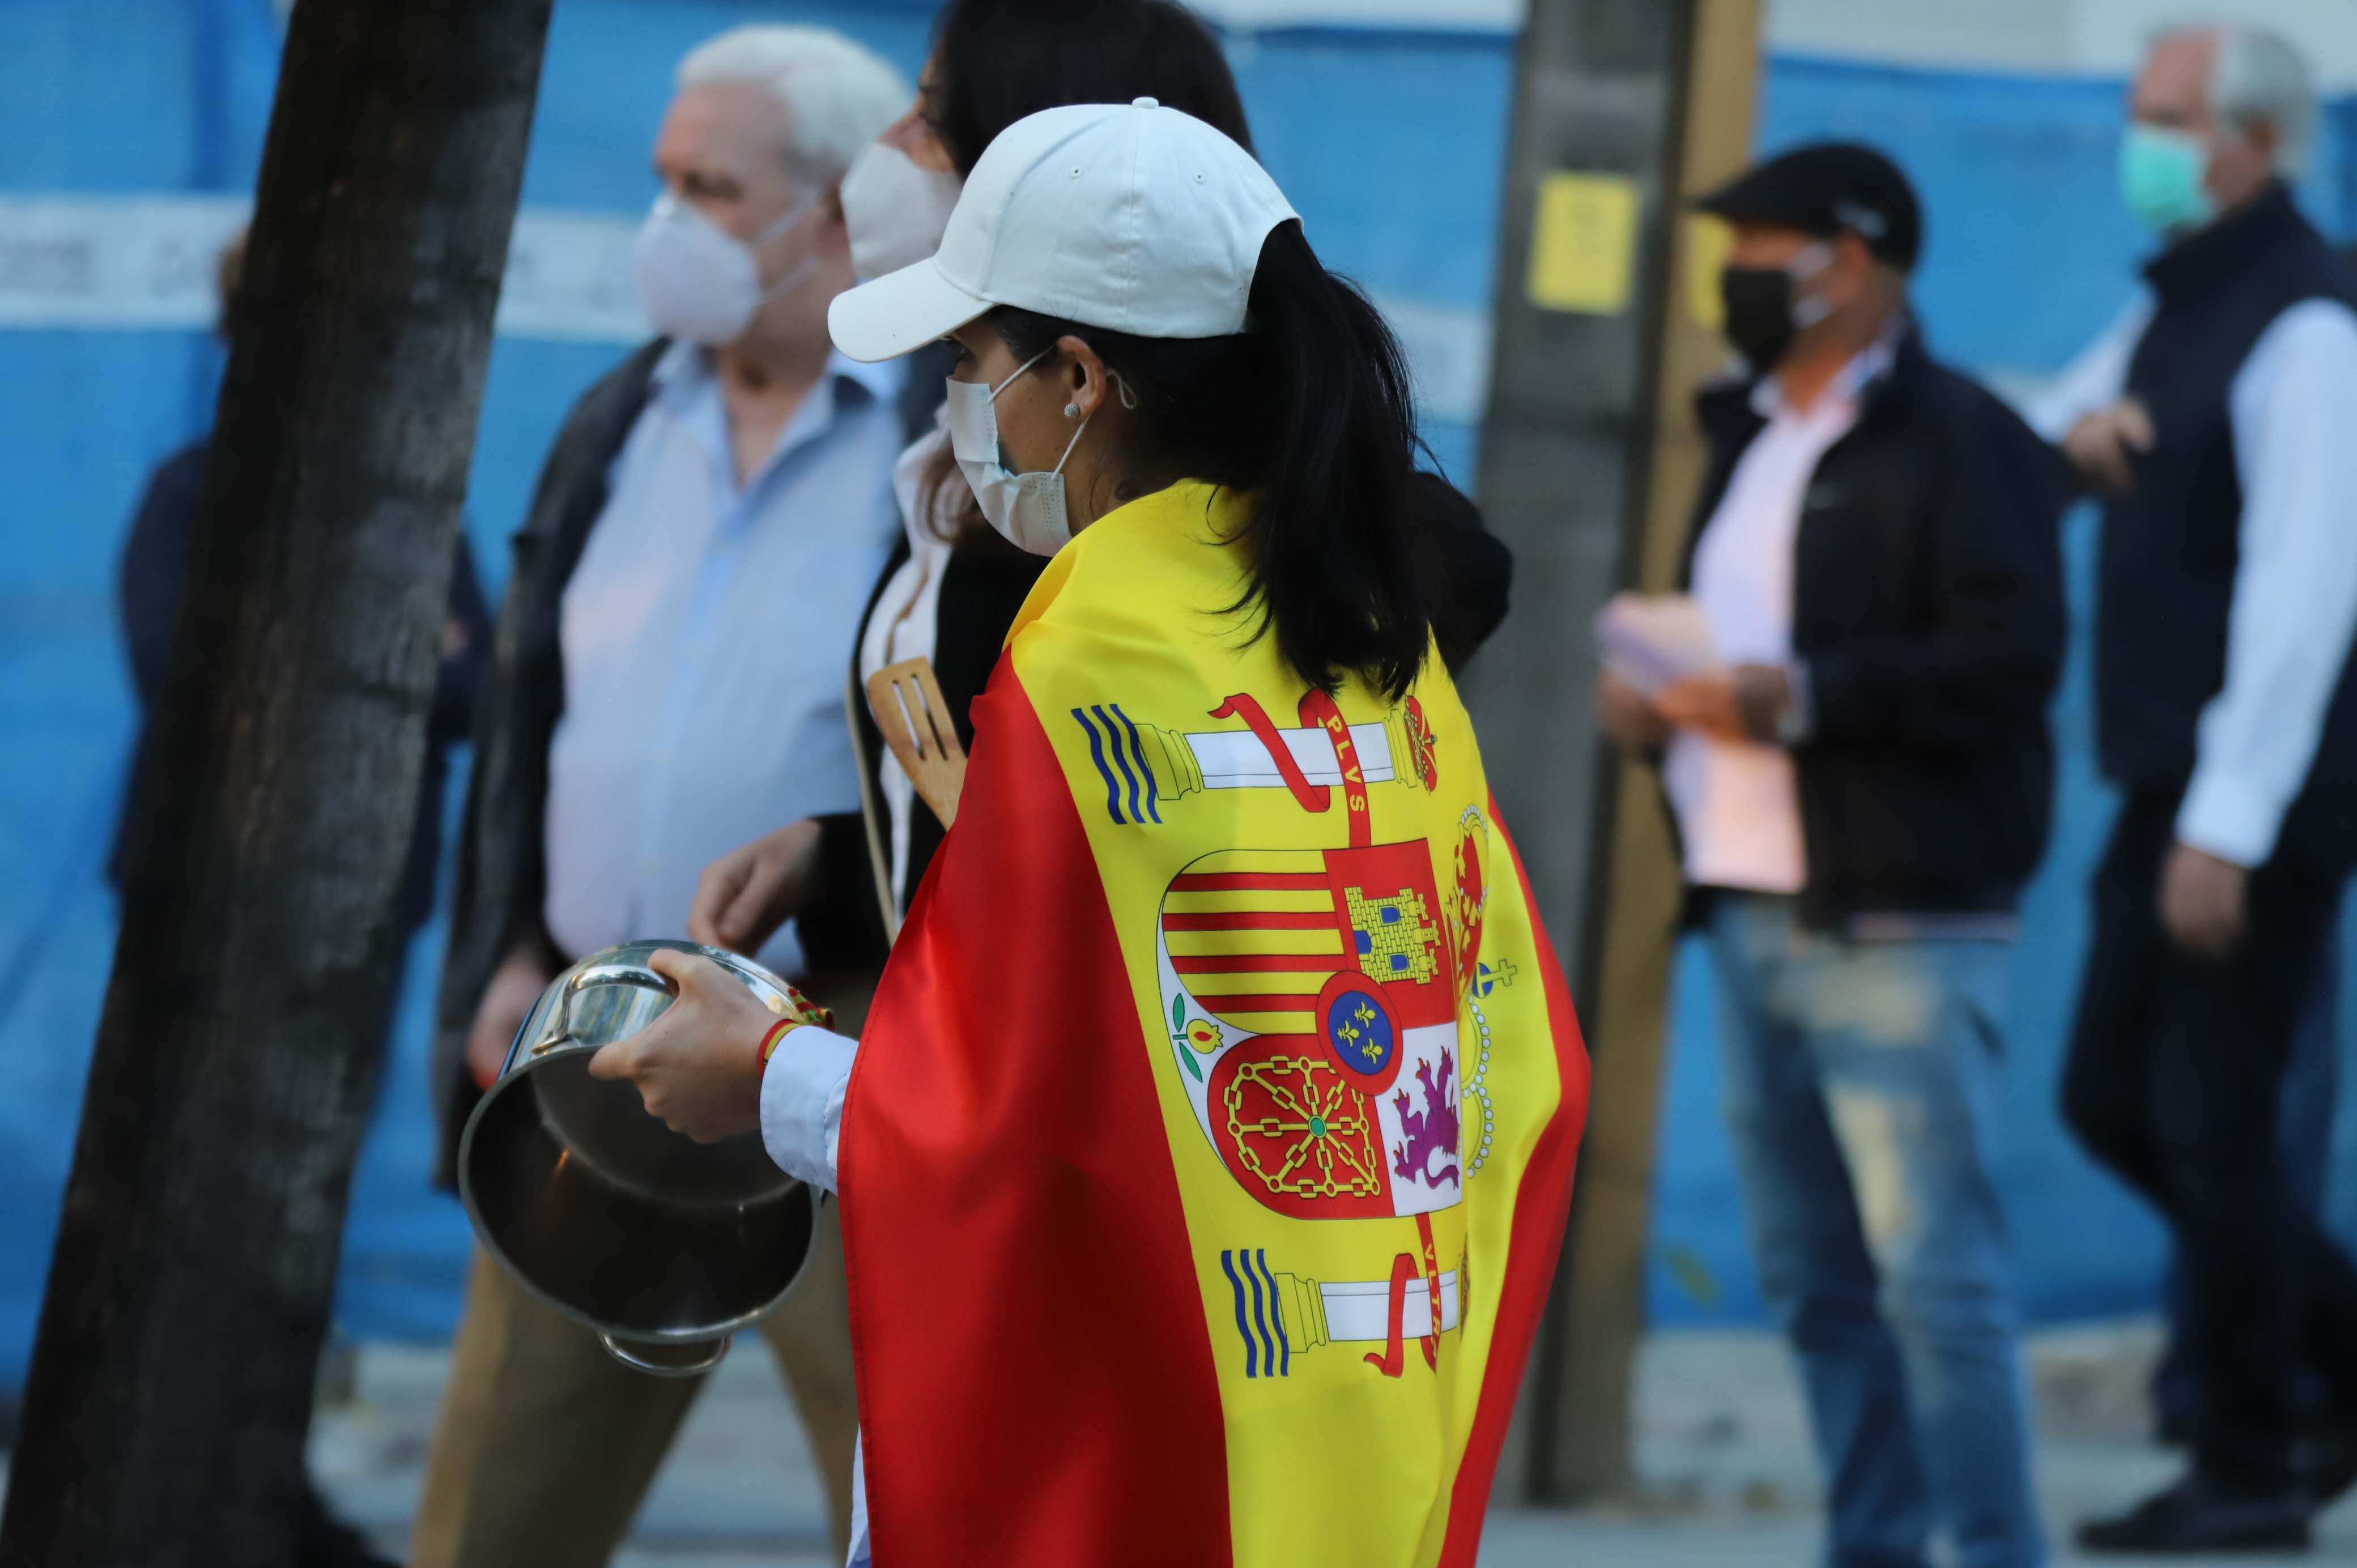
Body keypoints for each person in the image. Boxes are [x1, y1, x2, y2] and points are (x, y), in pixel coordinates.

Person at [589, 98, 1588, 1566]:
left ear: (1076, 375)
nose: (955, 404)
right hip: (1353, 1396)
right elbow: (1506, 1051)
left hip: (1148, 1444)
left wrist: (767, 1070)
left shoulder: (1102, 642)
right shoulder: (1353, 613)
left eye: (967, 362)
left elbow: (1018, 1130)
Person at [690, 0, 1513, 961]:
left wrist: (777, 1071)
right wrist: (839, 857)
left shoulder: (1149, 580)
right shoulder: (1012, 484)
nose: (883, 150)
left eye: (929, 118)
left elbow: (1081, 991)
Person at [408, 26, 908, 1566]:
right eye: (660, 183)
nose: (666, 226)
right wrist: (505, 946)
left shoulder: (945, 447)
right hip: (596, 1049)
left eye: (710, 187)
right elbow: (533, 714)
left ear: (831, 211)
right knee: (494, 1519)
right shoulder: (619, 419)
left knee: (915, 1504)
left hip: (840, 1058)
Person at [1597, 143, 2067, 1568]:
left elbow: (2010, 656)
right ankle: (1873, 1544)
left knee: (1936, 1281)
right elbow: (1722, 634)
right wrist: (1654, 702)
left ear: (1844, 262)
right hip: (1747, 901)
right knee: (1814, 1280)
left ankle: (1995, 1550)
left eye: (1756, 247)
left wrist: (1799, 696)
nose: (1731, 277)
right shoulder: (1746, 431)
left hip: (1899, 918)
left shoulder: (1964, 436)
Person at [108, 231, 490, 1568]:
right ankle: (162, 1490)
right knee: (189, 1205)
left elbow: (472, 685)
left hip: (362, 910)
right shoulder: (189, 492)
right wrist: (380, 661)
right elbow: (194, 683)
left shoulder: (422, 505)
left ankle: (265, 1490)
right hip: (202, 919)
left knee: (298, 1207)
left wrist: (327, 653)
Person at [2031, 24, 2357, 1553]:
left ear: (2250, 140)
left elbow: (2306, 599)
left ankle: (2244, 1466)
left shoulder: (2309, 328)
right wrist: (2076, 437)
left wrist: (2229, 827)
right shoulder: (2181, 306)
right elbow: (2044, 428)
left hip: (2256, 791)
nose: (2137, 137)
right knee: (2111, 1096)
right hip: (2174, 776)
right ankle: (2331, 1368)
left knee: (2212, 1120)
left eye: (2164, 117)